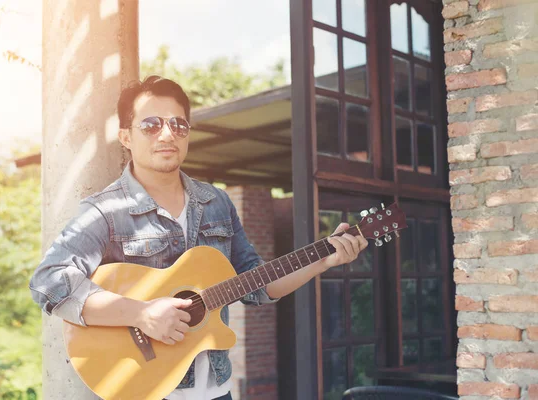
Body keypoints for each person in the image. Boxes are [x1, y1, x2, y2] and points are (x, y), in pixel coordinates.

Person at [29, 75, 368, 400]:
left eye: (178, 124)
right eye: (151, 124)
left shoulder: (216, 202)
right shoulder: (105, 211)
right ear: (126, 136)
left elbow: (256, 285)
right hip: (145, 390)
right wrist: (141, 314)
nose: (167, 134)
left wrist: (324, 259)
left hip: (217, 390)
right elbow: (49, 281)